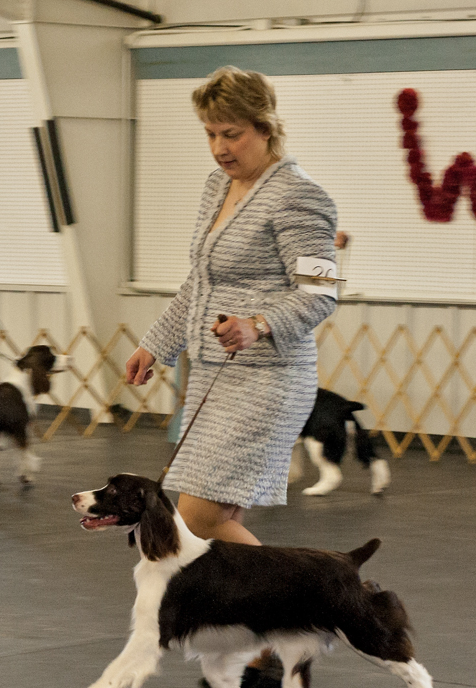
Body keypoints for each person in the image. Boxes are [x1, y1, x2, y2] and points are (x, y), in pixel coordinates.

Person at [125, 65, 338, 546]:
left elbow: (321, 292)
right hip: (213, 375)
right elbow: (200, 281)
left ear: (266, 128)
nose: (220, 147)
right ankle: (289, 612)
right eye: (210, 134)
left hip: (268, 379)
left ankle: (304, 604)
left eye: (232, 134)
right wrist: (155, 345)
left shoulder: (300, 196)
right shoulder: (216, 187)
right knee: (207, 522)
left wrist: (259, 324)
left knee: (198, 519)